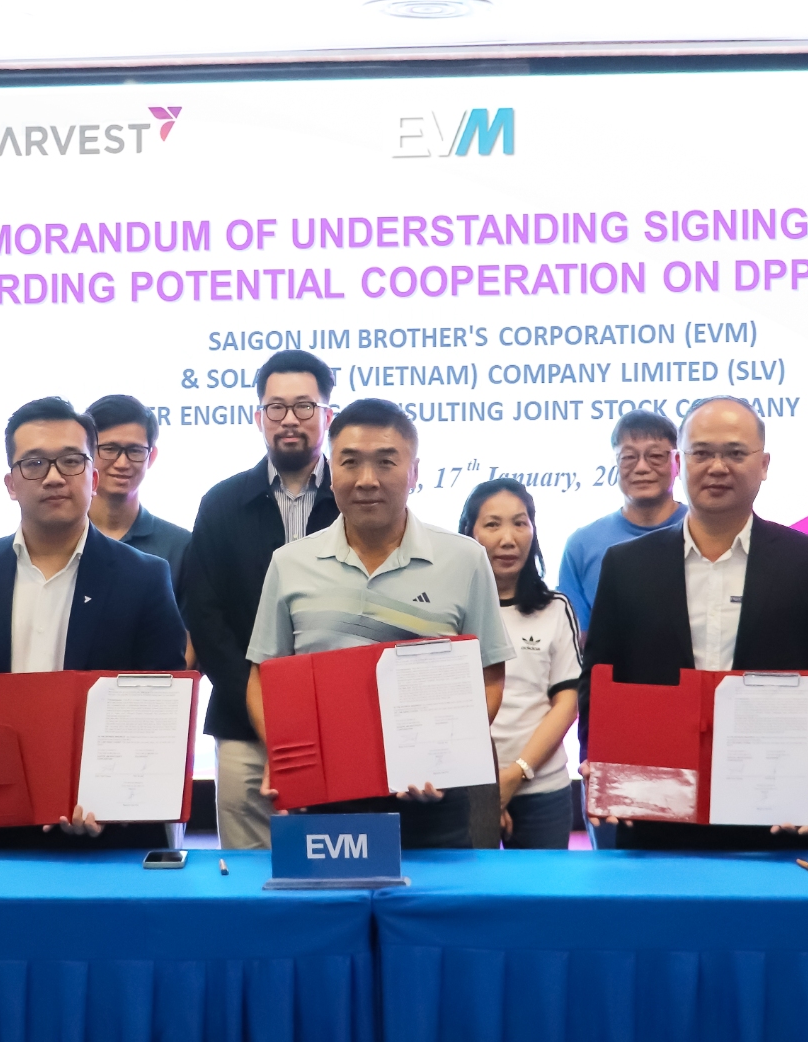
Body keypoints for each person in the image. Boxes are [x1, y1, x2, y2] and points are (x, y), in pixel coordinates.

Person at [580, 396, 808, 850]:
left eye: (735, 453)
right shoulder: (627, 566)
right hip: (654, 817)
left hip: (777, 816)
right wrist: (599, 761)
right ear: (680, 463)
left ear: (764, 464)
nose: (717, 467)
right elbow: (599, 679)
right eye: (701, 453)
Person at [0, 396, 187, 851]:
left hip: (103, 840)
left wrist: (113, 800)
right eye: (34, 463)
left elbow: (158, 707)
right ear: (10, 484)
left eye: (71, 461)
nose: (54, 477)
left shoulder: (144, 578)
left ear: (93, 477)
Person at [246, 397, 513, 848]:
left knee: (439, 897)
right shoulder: (290, 563)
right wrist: (284, 754)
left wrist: (439, 756)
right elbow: (261, 676)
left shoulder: (465, 559)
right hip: (325, 800)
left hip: (435, 802)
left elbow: (489, 678)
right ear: (331, 471)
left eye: (386, 462)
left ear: (414, 472)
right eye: (350, 462)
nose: (367, 480)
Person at [181, 349, 341, 849]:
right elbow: (204, 615)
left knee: (340, 858)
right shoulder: (221, 503)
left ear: (327, 416)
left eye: (304, 406)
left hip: (340, 724)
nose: (289, 419)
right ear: (258, 417)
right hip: (241, 724)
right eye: (276, 407)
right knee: (248, 874)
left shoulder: (355, 499)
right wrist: (258, 705)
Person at [461, 478, 581, 849]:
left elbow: (567, 702)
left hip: (542, 789)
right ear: (469, 532)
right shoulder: (453, 611)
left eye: (519, 523)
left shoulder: (555, 608)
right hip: (466, 789)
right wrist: (487, 789)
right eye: (492, 524)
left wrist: (515, 775)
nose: (508, 539)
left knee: (543, 888)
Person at [557, 409, 687, 633]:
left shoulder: (703, 532)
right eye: (628, 457)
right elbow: (576, 640)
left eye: (656, 456)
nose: (642, 468)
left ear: (678, 462)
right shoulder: (582, 545)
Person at [85, 393, 192, 596]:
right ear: (86, 453)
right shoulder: (62, 538)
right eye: (109, 449)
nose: (122, 463)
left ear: (151, 457)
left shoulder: (180, 546)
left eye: (135, 450)